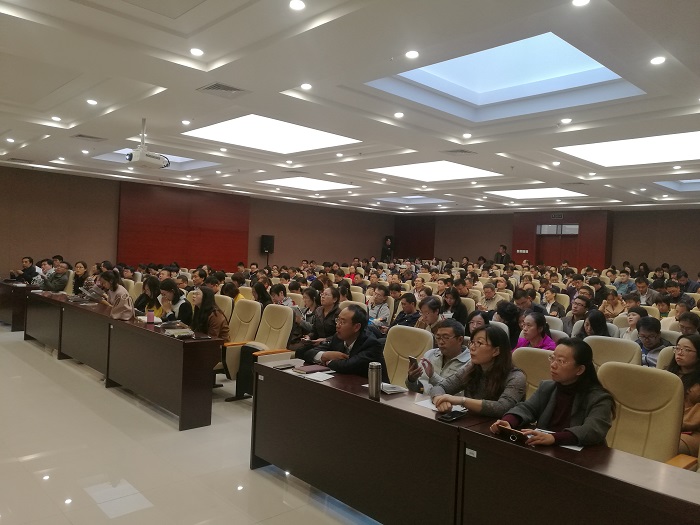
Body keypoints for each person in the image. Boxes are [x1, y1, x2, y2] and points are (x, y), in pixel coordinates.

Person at [490, 338, 615, 447]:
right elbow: (526, 408)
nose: (553, 365)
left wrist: (554, 438)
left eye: (561, 361)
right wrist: (508, 421)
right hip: (548, 450)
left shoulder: (599, 398)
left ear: (580, 369)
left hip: (583, 457)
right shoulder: (547, 387)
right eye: (552, 358)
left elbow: (592, 430)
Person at [431, 325, 526, 417]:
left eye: (479, 343)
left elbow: (502, 408)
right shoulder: (471, 367)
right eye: (472, 342)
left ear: (496, 351)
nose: (472, 348)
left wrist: (462, 401)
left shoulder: (516, 377)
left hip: (498, 426)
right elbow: (441, 386)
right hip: (471, 422)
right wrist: (439, 399)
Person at [301, 304, 388, 380]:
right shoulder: (338, 337)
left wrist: (328, 362)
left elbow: (348, 366)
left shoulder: (371, 344)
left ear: (356, 327)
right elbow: (307, 353)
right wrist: (325, 355)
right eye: (337, 320)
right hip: (345, 385)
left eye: (342, 322)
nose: (337, 325)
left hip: (371, 391)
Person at [406, 319, 471, 395]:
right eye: (438, 337)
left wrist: (433, 376)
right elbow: (419, 389)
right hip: (422, 400)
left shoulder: (470, 363)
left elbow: (460, 395)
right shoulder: (430, 354)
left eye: (445, 337)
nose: (440, 342)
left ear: (460, 340)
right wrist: (412, 380)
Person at [665, 334, 700, 456]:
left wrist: (677, 424)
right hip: (664, 424)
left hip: (692, 431)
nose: (680, 353)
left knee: (664, 445)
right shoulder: (666, 374)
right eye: (678, 348)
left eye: (687, 350)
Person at [295, 287, 341, 357]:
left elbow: (340, 335)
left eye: (326, 295)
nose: (323, 296)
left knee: (309, 354)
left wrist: (325, 339)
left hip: (331, 344)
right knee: (299, 351)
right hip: (317, 342)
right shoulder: (318, 311)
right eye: (322, 294)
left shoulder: (339, 313)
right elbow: (314, 330)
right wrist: (309, 337)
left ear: (334, 299)